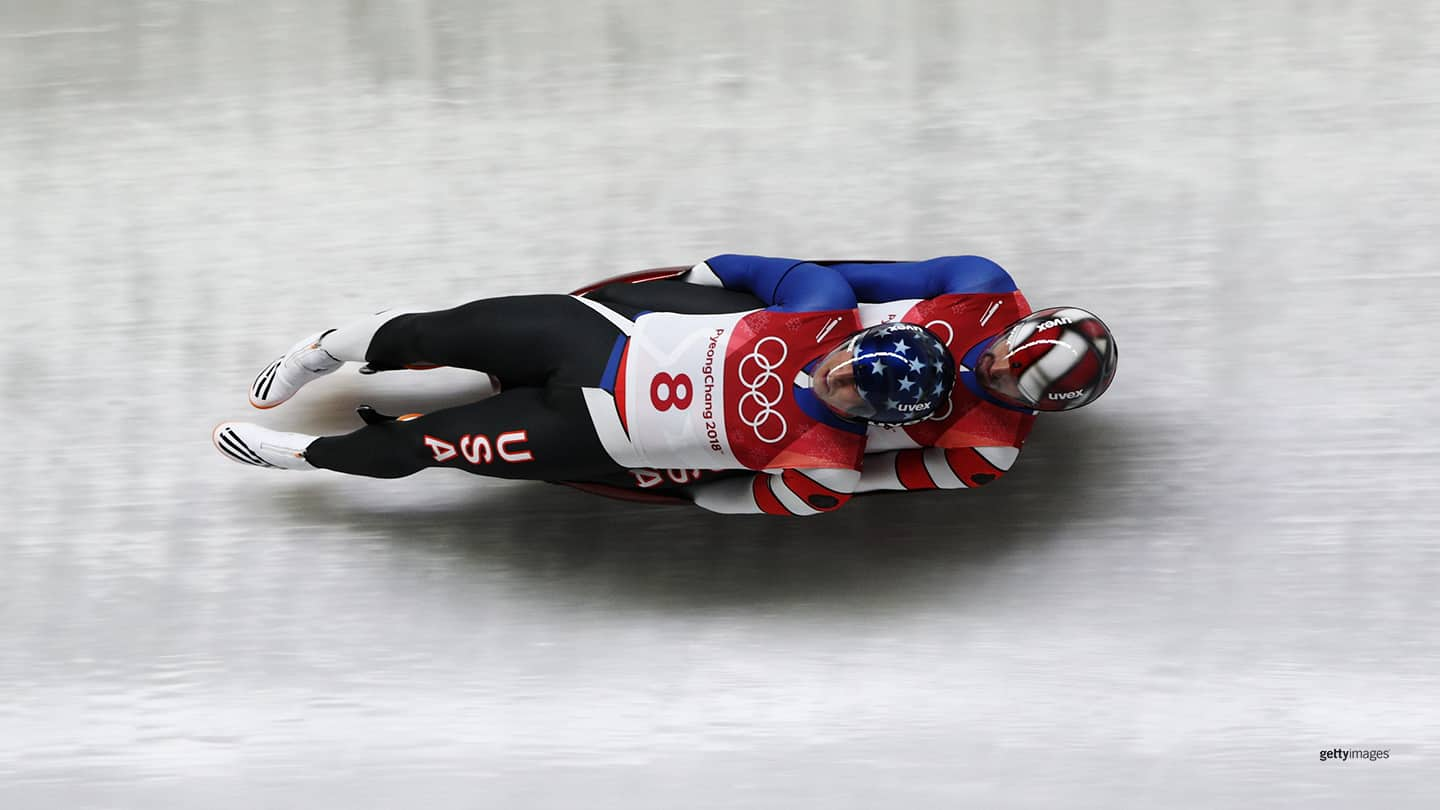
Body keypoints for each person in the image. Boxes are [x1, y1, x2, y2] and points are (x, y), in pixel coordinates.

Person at [213, 255, 960, 516]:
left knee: (428, 445)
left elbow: (730, 499)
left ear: (876, 418)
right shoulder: (821, 304)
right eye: (852, 361)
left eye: (858, 395)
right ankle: (324, 349)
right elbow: (726, 267)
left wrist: (671, 480)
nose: (839, 379)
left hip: (588, 435)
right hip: (597, 339)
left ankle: (306, 455)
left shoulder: (827, 461)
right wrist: (678, 288)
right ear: (858, 338)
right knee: (436, 331)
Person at [564, 256, 1118, 511]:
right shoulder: (981, 285)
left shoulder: (983, 455)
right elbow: (848, 277)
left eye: (1018, 385)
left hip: (778, 429)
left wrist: (701, 489)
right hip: (784, 341)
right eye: (1007, 353)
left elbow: (860, 481)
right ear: (1017, 323)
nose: (997, 371)